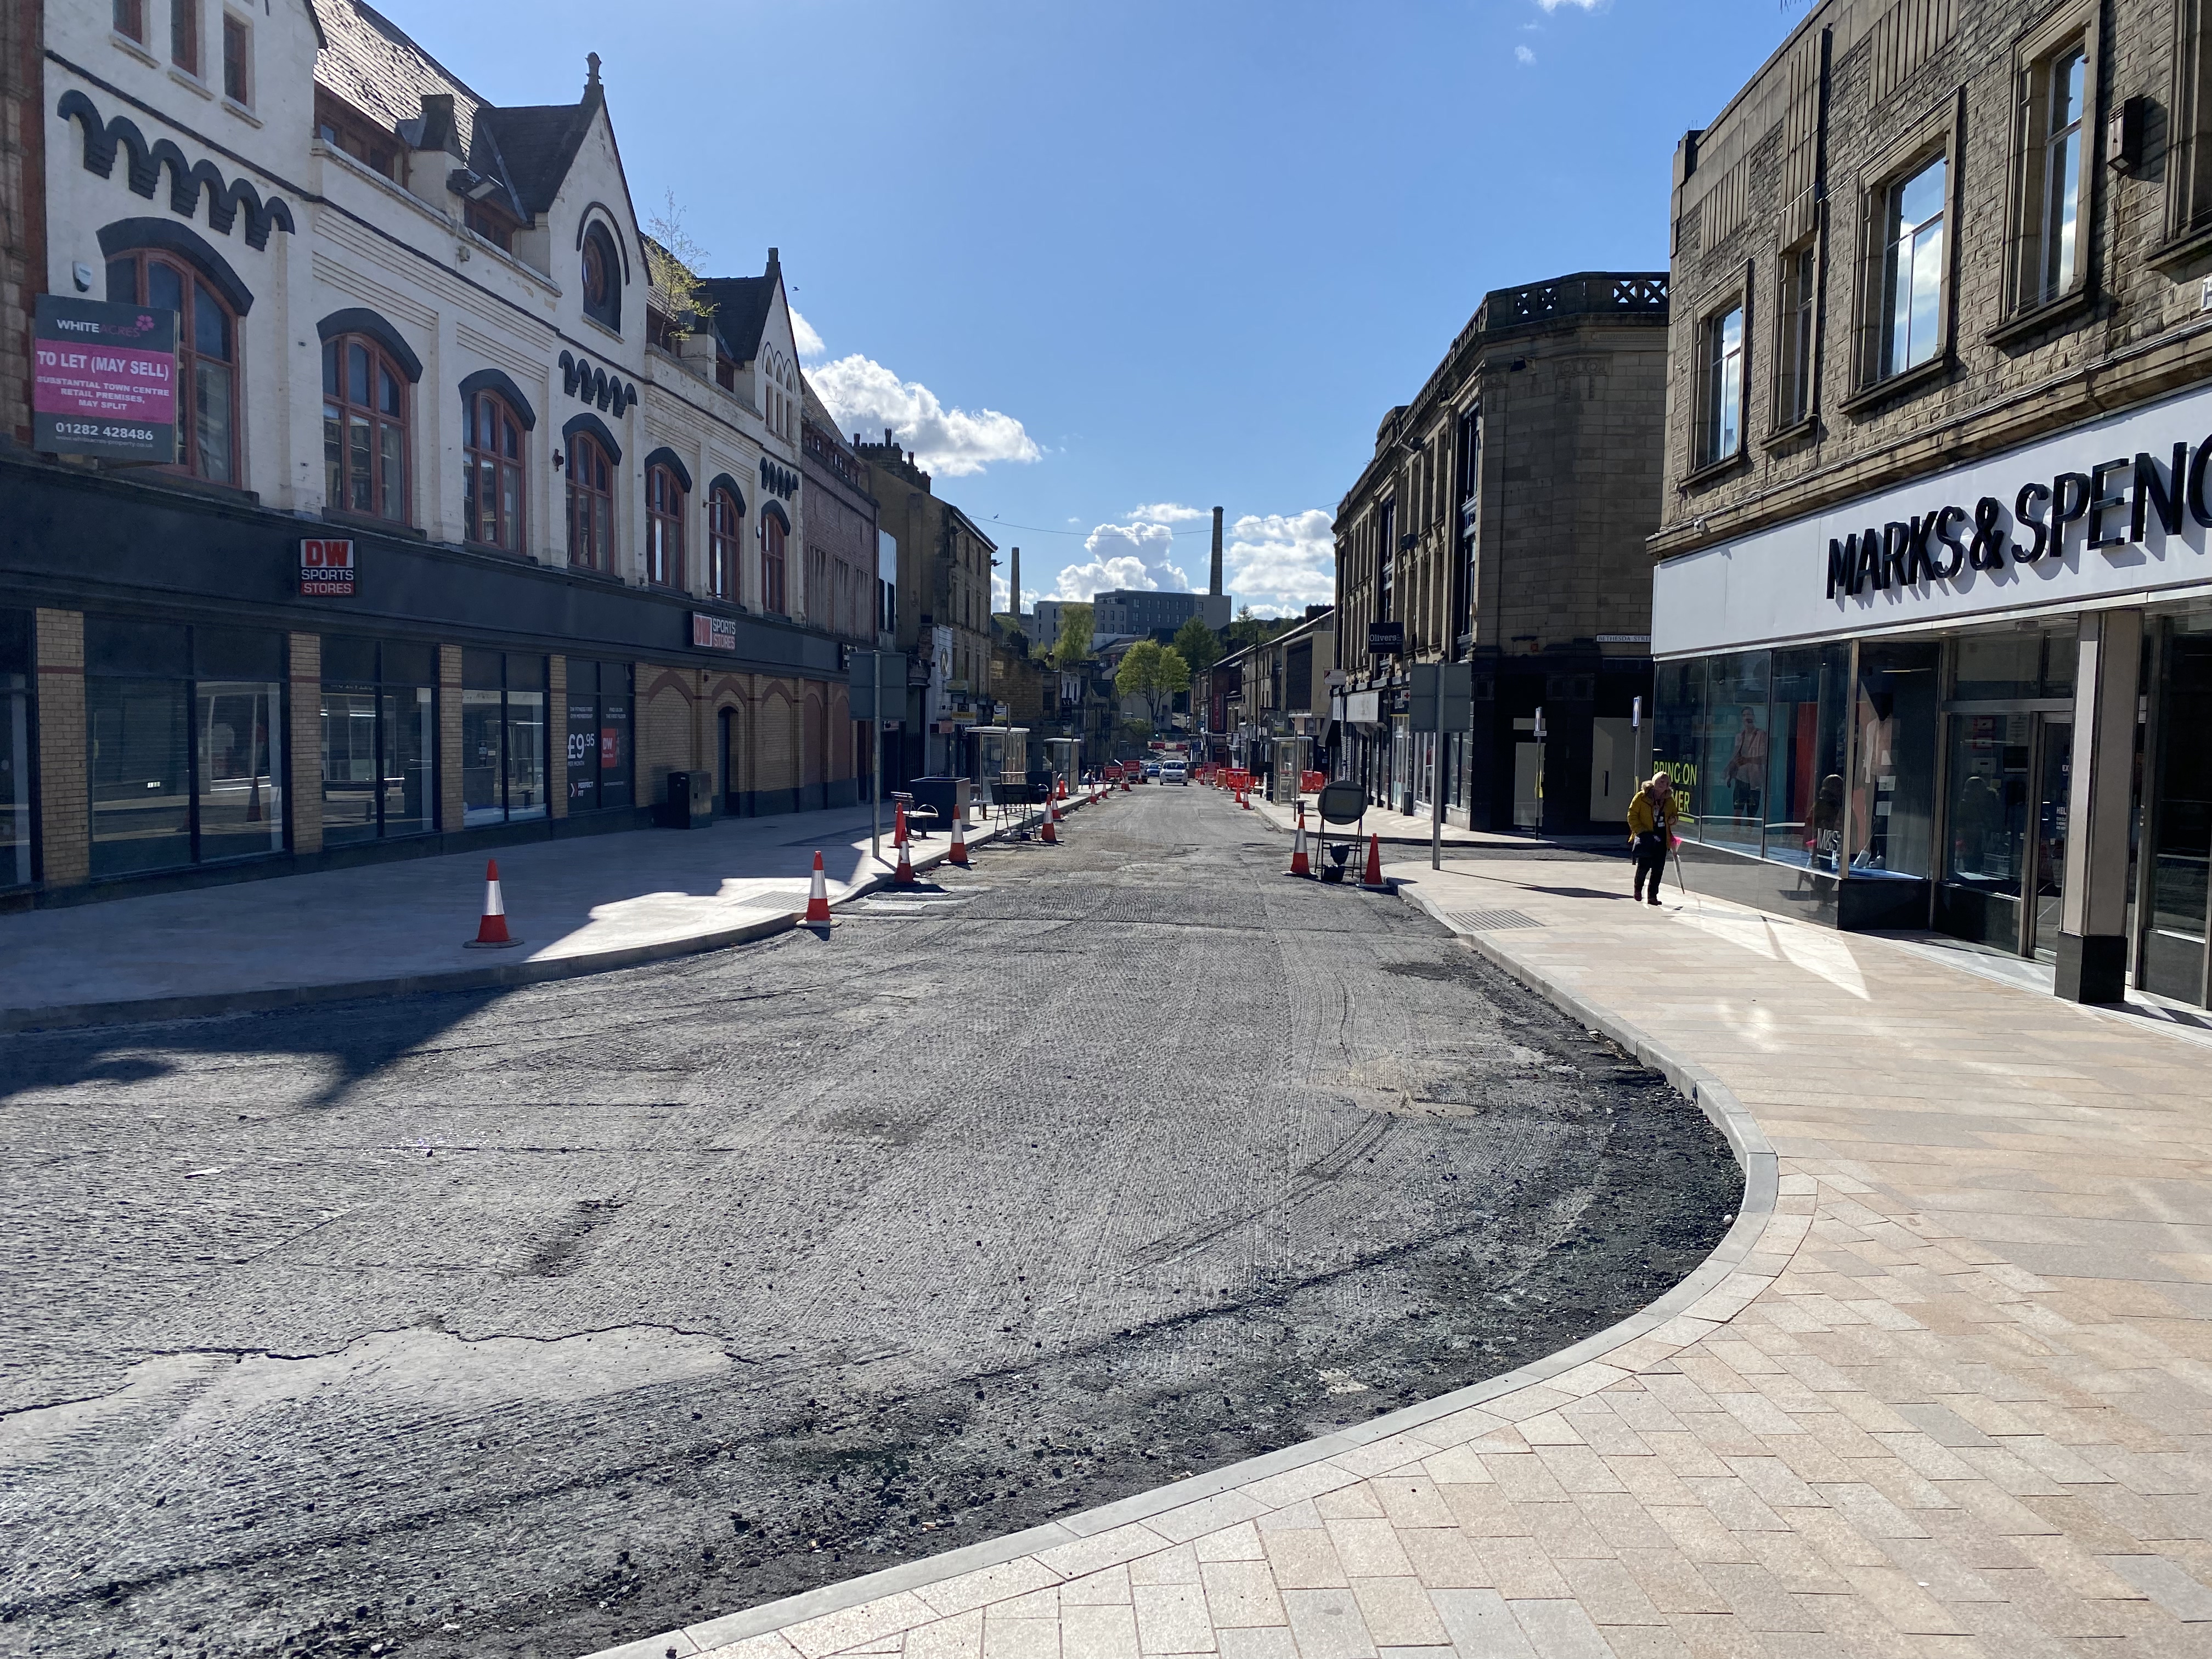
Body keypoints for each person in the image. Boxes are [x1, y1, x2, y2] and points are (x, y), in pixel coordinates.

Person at [1626, 771, 1681, 905]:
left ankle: (1652, 897)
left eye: (1666, 783)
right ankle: (1638, 889)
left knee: (1658, 869)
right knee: (1644, 866)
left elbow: (1674, 815)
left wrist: (1673, 820)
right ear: (1654, 782)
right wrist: (1640, 831)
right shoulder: (1642, 797)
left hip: (1662, 837)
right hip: (1646, 835)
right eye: (1661, 782)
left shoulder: (1669, 799)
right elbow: (1632, 815)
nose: (1663, 785)